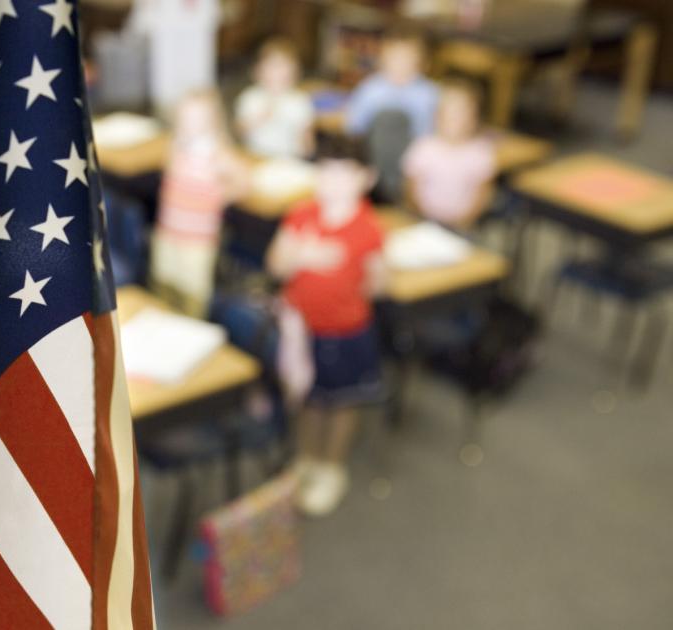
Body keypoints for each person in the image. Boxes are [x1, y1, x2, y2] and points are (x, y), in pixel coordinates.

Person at [266, 135, 386, 516]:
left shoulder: (369, 228)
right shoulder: (301, 215)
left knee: (342, 403)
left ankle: (332, 466)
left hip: (347, 333)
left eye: (344, 174)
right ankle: (306, 458)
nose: (332, 182)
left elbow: (378, 282)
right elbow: (275, 265)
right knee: (309, 398)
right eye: (326, 172)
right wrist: (300, 256)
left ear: (366, 178)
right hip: (303, 333)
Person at [150, 89, 248, 317]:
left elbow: (244, 181)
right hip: (168, 233)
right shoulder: (176, 145)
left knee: (192, 296)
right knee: (163, 287)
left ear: (212, 122)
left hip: (198, 241)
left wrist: (219, 196)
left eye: (196, 119)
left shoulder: (217, 154)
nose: (189, 124)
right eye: (185, 118)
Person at [402, 79, 497, 229]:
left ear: (474, 118)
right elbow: (410, 189)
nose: (454, 119)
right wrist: (422, 217)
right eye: (449, 113)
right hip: (424, 222)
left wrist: (465, 221)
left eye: (461, 113)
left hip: (463, 226)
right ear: (437, 117)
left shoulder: (481, 152)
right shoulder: (423, 147)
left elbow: (483, 193)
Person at [344, 27, 439, 139]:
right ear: (383, 60)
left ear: (419, 61)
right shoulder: (370, 89)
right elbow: (354, 126)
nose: (400, 64)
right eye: (394, 58)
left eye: (406, 58)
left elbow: (436, 129)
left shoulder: (429, 93)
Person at [235, 38, 315, 159]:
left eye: (284, 67)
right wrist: (258, 118)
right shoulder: (251, 97)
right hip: (255, 155)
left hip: (289, 157)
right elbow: (239, 131)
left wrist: (306, 146)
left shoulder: (299, 100)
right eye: (272, 67)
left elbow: (307, 139)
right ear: (258, 71)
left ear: (294, 74)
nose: (277, 73)